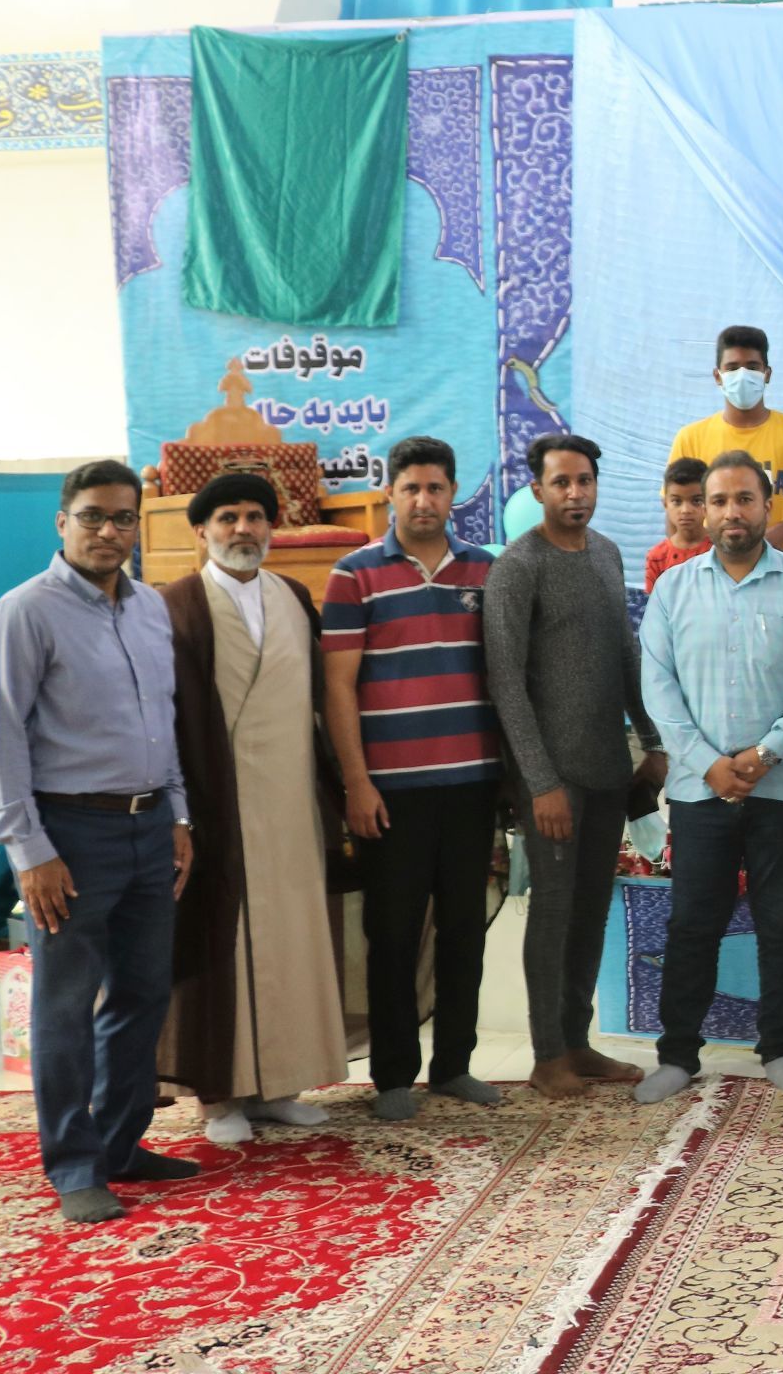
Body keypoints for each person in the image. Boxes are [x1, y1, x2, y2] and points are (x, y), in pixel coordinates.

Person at [0, 462, 197, 1223]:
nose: (108, 531)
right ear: (62, 522)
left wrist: (178, 817)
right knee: (67, 1005)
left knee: (142, 993)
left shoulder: (149, 608)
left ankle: (118, 1145)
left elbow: (162, 721)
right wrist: (29, 851)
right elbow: (1, 737)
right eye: (92, 516)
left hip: (149, 826)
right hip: (69, 835)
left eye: (122, 517)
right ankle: (74, 1165)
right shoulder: (25, 612)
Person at [635, 450, 783, 1104]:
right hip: (701, 792)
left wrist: (766, 753)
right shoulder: (674, 590)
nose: (731, 512)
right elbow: (658, 687)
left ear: (767, 507)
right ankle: (677, 1055)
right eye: (718, 500)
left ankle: (780, 1048)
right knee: (693, 924)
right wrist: (709, 764)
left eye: (744, 499)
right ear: (703, 510)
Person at [157, 472, 346, 1145]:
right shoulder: (177, 604)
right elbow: (163, 716)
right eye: (228, 517)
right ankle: (220, 1098)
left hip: (290, 803)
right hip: (217, 804)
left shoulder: (292, 595)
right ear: (201, 530)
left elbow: (319, 702)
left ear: (272, 527)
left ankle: (279, 1088)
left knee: (292, 938)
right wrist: (179, 812)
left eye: (256, 516)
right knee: (222, 944)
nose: (243, 529)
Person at [322, 435, 503, 1123]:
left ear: (453, 493)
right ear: (389, 494)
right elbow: (338, 689)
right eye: (410, 488)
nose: (423, 500)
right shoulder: (354, 575)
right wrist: (356, 784)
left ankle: (453, 1065)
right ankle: (393, 1074)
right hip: (391, 792)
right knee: (394, 934)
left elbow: (504, 676)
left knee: (464, 931)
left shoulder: (485, 571)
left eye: (435, 487)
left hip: (472, 785)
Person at [484, 435, 667, 1102]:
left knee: (591, 911)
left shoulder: (607, 554)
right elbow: (506, 684)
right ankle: (546, 1055)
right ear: (537, 490)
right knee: (554, 912)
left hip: (606, 769)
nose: (575, 493)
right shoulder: (518, 567)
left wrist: (653, 740)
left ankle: (577, 1041)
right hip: (552, 782)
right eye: (561, 482)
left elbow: (624, 654)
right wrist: (539, 783)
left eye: (584, 480)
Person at [665, 325, 783, 561]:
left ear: (767, 374)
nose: (742, 375)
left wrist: (780, 532)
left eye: (752, 367)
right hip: (711, 572)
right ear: (717, 376)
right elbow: (674, 514)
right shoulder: (690, 439)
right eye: (732, 368)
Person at [644, 456, 711, 595]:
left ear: (709, 502)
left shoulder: (720, 551)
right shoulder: (657, 557)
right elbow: (654, 604)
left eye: (696, 501)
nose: (685, 510)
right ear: (665, 504)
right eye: (677, 501)